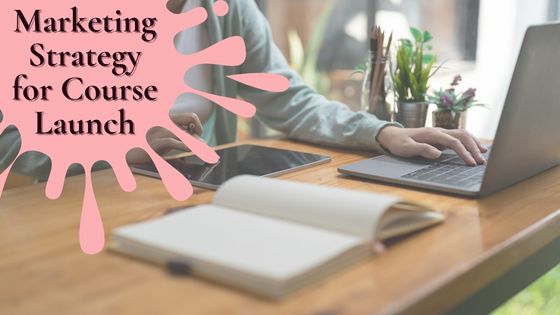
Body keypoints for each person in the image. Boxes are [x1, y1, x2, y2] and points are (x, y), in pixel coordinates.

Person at [0, 0, 486, 182]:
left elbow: (289, 98)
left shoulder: (226, 11)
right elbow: (14, 146)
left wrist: (381, 132)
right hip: (76, 205)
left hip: (188, 197)